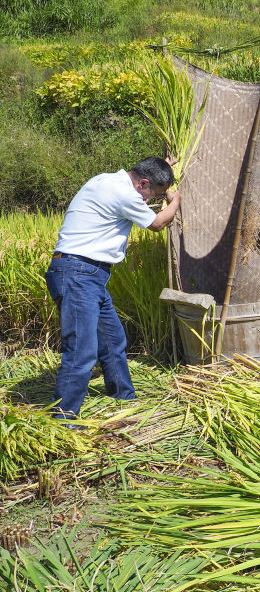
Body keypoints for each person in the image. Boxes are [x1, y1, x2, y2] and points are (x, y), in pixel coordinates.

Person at [46, 157, 180, 420]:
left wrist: (161, 167)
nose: (149, 200)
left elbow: (145, 183)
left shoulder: (105, 179)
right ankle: (63, 418)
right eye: (153, 194)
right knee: (82, 350)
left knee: (112, 339)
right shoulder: (124, 194)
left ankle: (122, 397)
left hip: (87, 274)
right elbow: (157, 223)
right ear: (142, 183)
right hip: (79, 274)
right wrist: (175, 202)